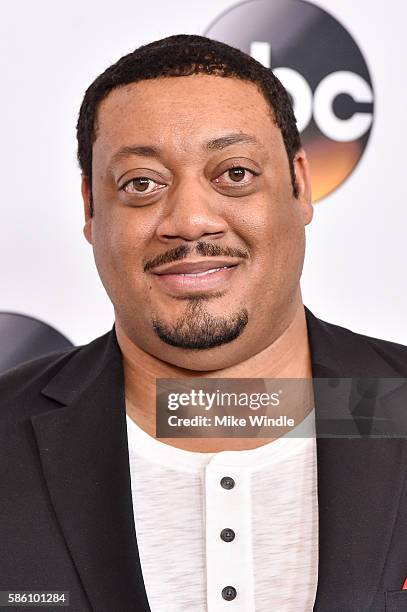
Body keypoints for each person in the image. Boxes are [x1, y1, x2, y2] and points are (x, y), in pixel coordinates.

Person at [1, 34, 407, 612]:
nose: (190, 221)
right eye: (142, 183)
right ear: (91, 209)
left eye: (234, 173)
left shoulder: (395, 402)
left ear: (299, 186)